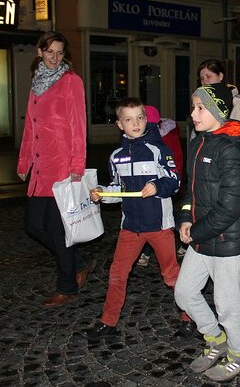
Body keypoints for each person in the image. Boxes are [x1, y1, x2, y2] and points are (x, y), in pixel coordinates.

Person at [174, 83, 240, 382]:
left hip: (228, 239)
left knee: (226, 302)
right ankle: (215, 339)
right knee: (184, 292)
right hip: (202, 234)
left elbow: (230, 208)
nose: (193, 113)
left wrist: (195, 231)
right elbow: (191, 192)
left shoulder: (232, 148)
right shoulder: (199, 143)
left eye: (200, 108)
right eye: (193, 107)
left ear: (217, 111)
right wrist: (185, 219)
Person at [81, 97, 181, 341]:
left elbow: (175, 182)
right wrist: (103, 194)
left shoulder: (160, 150)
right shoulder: (116, 156)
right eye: (128, 119)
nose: (135, 123)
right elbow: (118, 190)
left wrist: (157, 186)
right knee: (117, 273)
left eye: (140, 118)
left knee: (171, 276)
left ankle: (191, 319)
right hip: (130, 227)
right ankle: (108, 322)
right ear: (119, 124)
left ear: (146, 120)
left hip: (159, 225)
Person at [17, 31, 96, 307]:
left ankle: (67, 286)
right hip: (40, 167)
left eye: (60, 52)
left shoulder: (70, 82)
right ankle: (78, 261)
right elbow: (30, 126)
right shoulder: (36, 82)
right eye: (49, 51)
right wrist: (24, 161)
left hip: (61, 166)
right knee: (34, 226)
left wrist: (77, 165)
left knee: (56, 229)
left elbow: (78, 125)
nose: (54, 57)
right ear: (40, 52)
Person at [137, 105, 185, 267]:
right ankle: (148, 250)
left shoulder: (166, 139)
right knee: (150, 216)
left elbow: (176, 161)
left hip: (163, 186)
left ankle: (187, 238)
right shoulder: (139, 140)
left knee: (165, 217)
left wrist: (170, 182)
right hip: (145, 186)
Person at [198, 59, 240, 123]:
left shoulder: (237, 102)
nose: (204, 81)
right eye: (202, 78)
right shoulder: (202, 101)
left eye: (208, 76)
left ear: (220, 76)